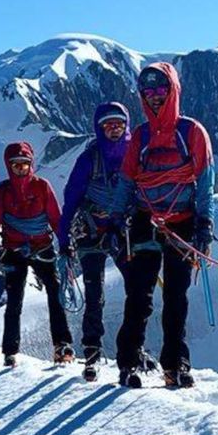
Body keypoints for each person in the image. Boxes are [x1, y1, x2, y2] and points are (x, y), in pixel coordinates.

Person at [110, 63, 215, 390]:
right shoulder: (140, 136)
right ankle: (130, 362)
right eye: (148, 92)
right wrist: (115, 219)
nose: (154, 97)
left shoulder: (192, 132)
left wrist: (205, 222)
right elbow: (127, 182)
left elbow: (205, 182)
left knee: (176, 298)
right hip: (147, 221)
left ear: (173, 90)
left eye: (160, 90)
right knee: (139, 297)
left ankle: (175, 362)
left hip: (180, 224)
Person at [57, 102, 132, 382]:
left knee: (137, 291)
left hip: (119, 231)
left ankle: (127, 349)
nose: (114, 130)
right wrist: (64, 240)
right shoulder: (89, 159)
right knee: (94, 294)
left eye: (119, 124)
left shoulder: (131, 153)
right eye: (108, 125)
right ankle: (92, 350)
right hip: (95, 232)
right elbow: (70, 201)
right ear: (100, 129)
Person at [0, 142, 75, 368]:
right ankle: (12, 350)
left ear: (30, 164)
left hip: (25, 248)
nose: (21, 168)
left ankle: (59, 345)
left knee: (54, 294)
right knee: (16, 300)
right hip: (32, 248)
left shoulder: (20, 190)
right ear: (9, 166)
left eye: (24, 164)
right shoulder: (30, 188)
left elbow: (56, 219)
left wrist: (65, 244)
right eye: (17, 165)